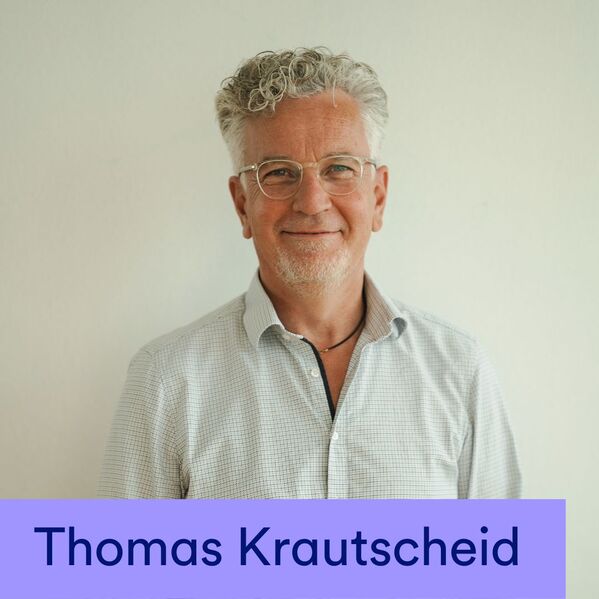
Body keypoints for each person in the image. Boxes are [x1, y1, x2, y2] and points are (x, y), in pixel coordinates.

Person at [99, 47, 521, 499]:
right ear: (242, 204)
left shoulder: (460, 368)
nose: (312, 201)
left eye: (339, 168)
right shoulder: (165, 380)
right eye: (279, 173)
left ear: (378, 198)